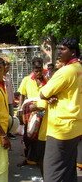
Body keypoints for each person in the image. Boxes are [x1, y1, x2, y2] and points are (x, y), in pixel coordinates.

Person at [40, 38, 82, 182]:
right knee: (68, 168)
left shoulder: (65, 71)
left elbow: (43, 93)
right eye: (58, 48)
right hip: (76, 127)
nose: (58, 52)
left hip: (60, 129)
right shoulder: (79, 69)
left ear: (73, 52)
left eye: (63, 49)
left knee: (53, 171)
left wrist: (50, 95)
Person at [17, 57, 47, 174]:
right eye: (36, 69)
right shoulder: (26, 80)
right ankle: (28, 158)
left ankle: (39, 159)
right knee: (27, 136)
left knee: (39, 135)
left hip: (42, 110)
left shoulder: (47, 80)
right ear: (32, 69)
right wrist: (19, 109)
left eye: (40, 69)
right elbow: (22, 95)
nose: (38, 72)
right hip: (28, 111)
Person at [4, 61, 16, 139]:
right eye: (6, 66)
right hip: (4, 101)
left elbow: (10, 88)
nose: (8, 68)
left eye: (9, 66)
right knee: (5, 118)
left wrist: (13, 98)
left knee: (11, 117)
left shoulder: (8, 76)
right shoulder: (0, 76)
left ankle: (10, 132)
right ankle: (5, 133)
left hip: (10, 100)